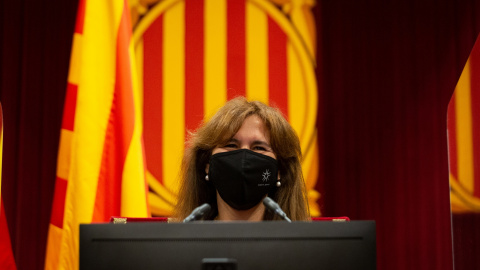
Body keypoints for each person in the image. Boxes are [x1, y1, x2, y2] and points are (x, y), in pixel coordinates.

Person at [174, 97, 310, 221]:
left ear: (280, 170)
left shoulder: (300, 246)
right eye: (231, 145)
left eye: (258, 148)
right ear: (207, 165)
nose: (244, 155)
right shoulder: (181, 245)